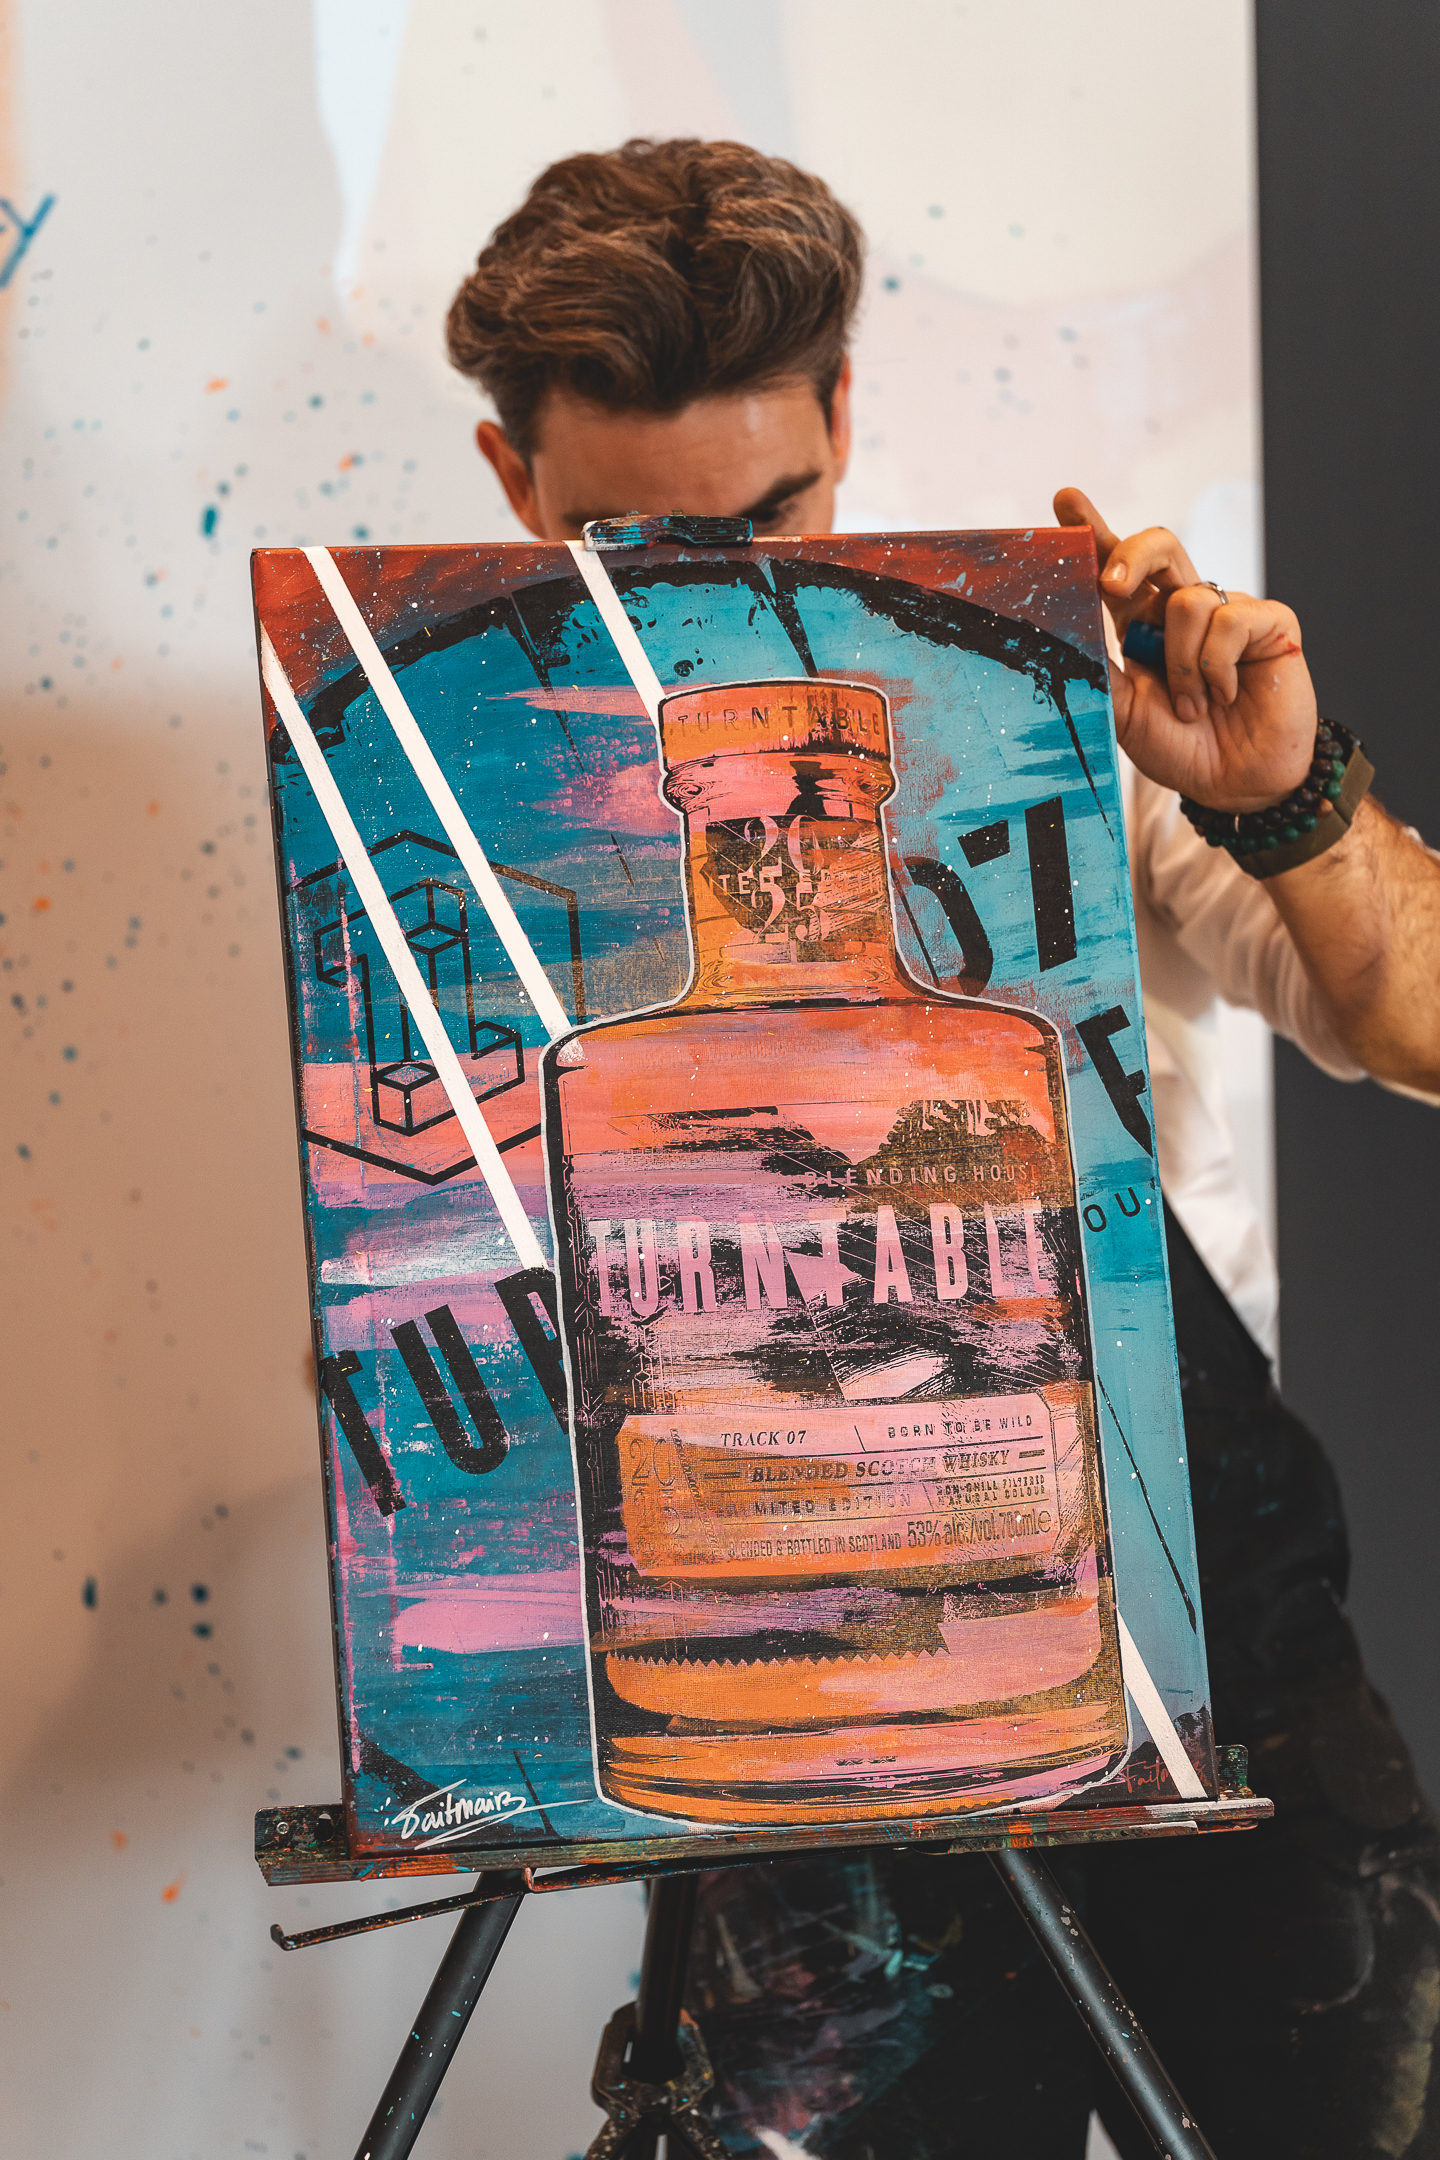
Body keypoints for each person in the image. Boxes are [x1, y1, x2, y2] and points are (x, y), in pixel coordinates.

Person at [445, 138, 1440, 2156]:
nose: (716, 580)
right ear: (511, 482)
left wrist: (1280, 790)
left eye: (770, 514)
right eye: (635, 538)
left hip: (1188, 1620)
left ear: (843, 410)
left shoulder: (1036, 678)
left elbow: (1415, 1026)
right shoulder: (440, 811)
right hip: (782, 1674)